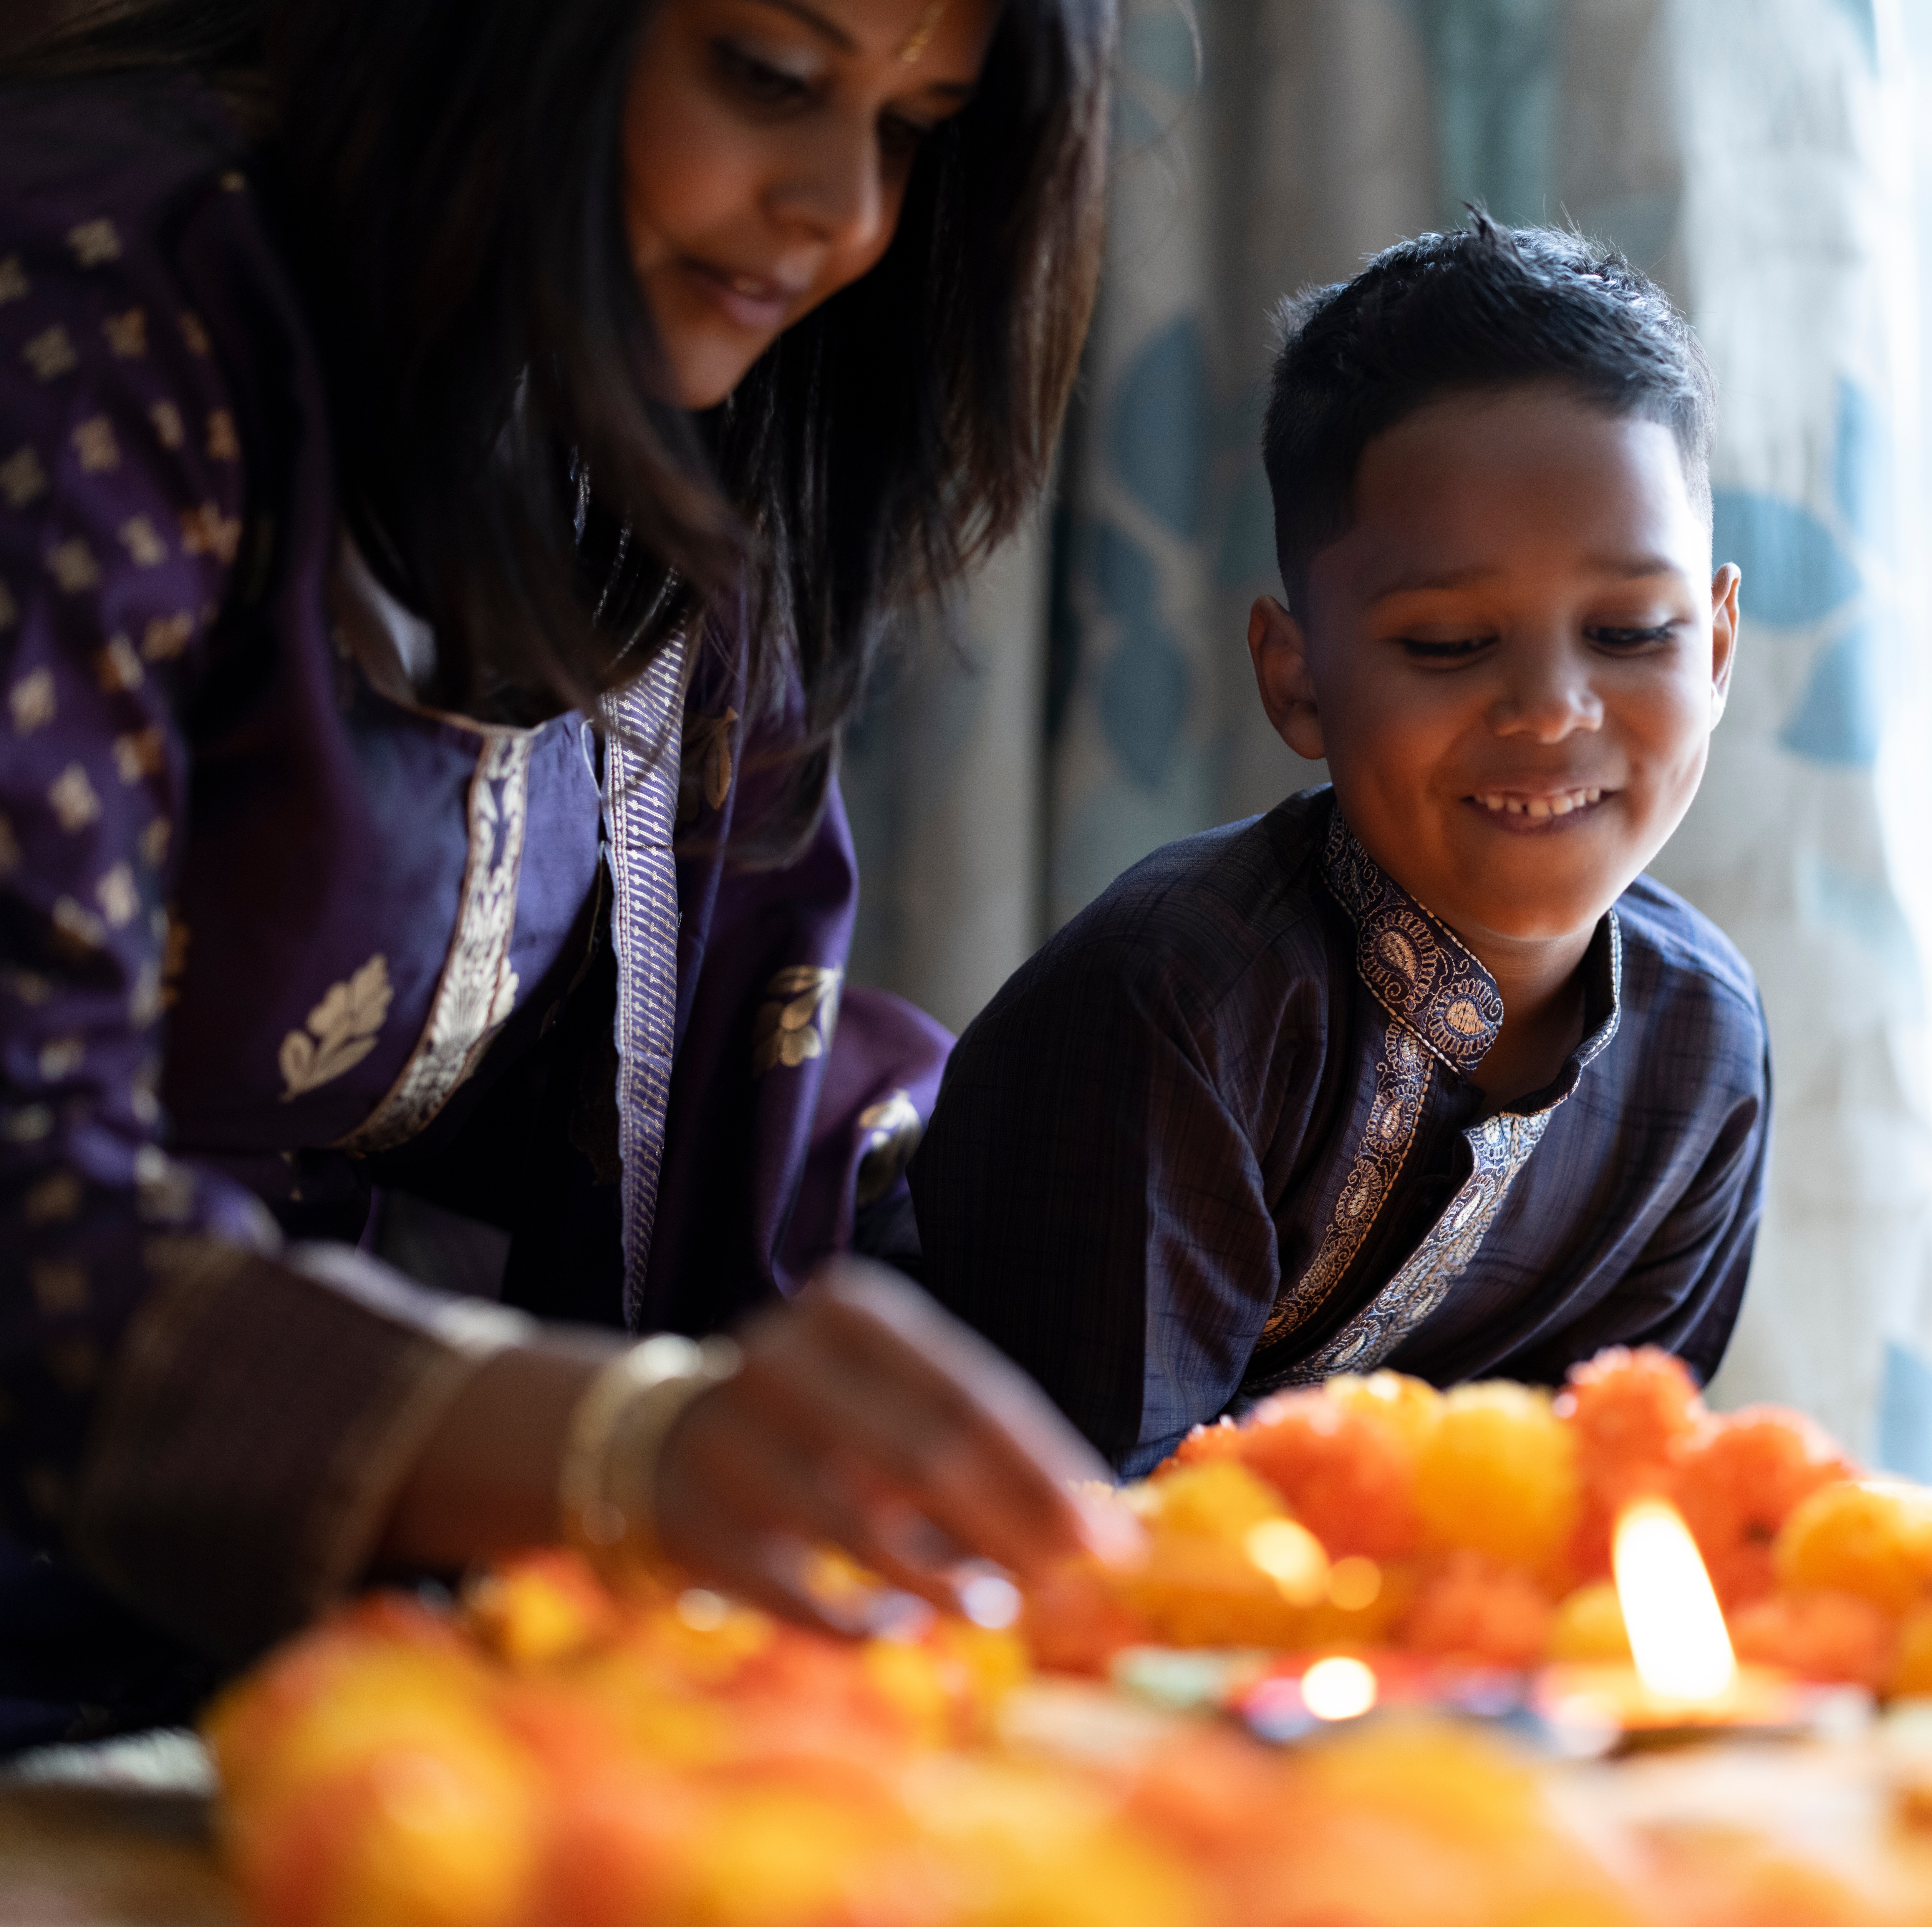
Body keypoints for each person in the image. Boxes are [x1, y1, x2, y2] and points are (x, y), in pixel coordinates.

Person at [0, 0, 1130, 1750]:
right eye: (769, 77)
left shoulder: (660, 437)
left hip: (294, 1659)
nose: (842, 209)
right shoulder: (85, 310)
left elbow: (718, 1149)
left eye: (912, 130)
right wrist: (624, 1449)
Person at [912, 220, 1770, 1477]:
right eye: (1447, 644)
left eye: (1632, 629)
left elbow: (1598, 1501)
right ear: (1298, 676)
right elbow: (1083, 1527)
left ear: (1717, 647)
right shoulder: (1181, 998)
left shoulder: (1703, 1046)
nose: (1549, 709)